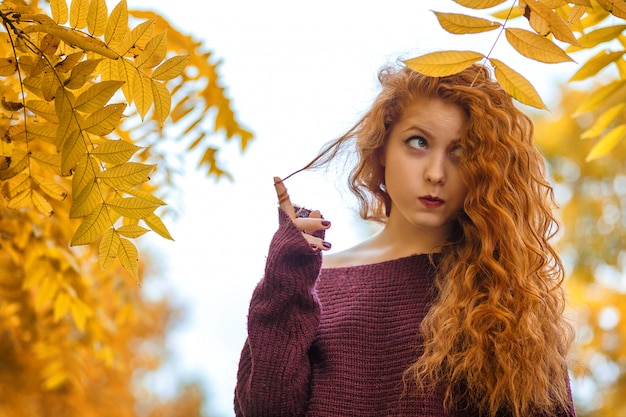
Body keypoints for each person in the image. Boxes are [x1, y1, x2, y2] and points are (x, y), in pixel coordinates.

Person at [234, 63, 576, 417]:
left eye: (460, 152)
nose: (436, 173)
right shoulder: (311, 284)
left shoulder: (509, 297)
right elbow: (263, 408)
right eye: (418, 142)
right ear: (381, 147)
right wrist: (286, 276)